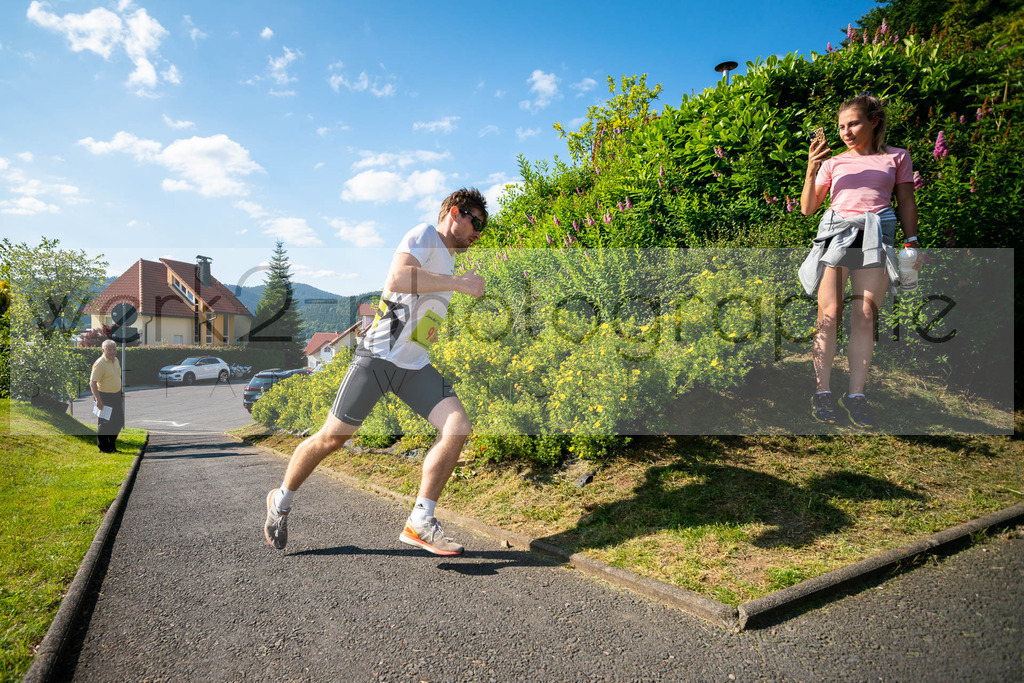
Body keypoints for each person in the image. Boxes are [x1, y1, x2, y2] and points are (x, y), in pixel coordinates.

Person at [264, 188, 488, 555]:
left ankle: (420, 521)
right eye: (475, 222)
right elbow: (398, 279)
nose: (478, 233)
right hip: (378, 359)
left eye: (482, 227)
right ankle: (280, 500)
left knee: (457, 427)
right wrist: (459, 284)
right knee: (331, 439)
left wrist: (454, 282)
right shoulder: (422, 235)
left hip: (414, 366)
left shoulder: (448, 260)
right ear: (454, 212)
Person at [797, 93, 922, 428]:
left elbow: (906, 201)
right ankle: (822, 393)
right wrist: (812, 169)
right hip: (837, 235)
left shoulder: (897, 157)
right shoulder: (833, 163)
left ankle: (856, 396)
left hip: (876, 236)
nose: (846, 132)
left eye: (853, 123)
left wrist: (912, 243)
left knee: (865, 315)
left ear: (874, 121)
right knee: (830, 314)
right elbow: (808, 208)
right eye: (841, 126)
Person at [90, 339, 125, 452]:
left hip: (115, 396)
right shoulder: (100, 363)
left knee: (118, 422)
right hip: (104, 396)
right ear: (103, 350)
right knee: (105, 424)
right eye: (109, 349)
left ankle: (111, 446)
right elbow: (92, 383)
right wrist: (98, 400)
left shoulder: (116, 361)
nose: (112, 352)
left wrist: (120, 393)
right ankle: (104, 448)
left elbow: (116, 378)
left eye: (114, 349)